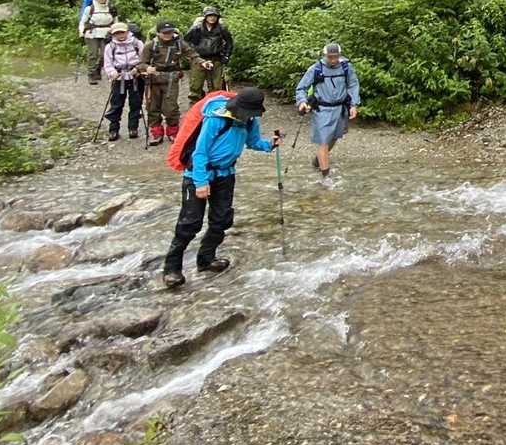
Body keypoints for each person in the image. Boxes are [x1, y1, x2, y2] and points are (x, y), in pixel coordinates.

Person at [162, 87, 281, 289]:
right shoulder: (216, 118)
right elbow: (200, 153)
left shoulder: (250, 120)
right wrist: (201, 183)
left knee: (222, 220)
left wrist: (270, 144)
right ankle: (171, 269)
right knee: (190, 223)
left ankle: (206, 259)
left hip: (226, 174)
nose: (247, 116)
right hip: (199, 174)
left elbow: (253, 142)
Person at [295, 43, 361, 179]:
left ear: (340, 55)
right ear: (324, 55)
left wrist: (353, 105)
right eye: (330, 57)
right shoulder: (315, 69)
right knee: (324, 141)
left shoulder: (346, 68)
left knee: (334, 137)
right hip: (321, 110)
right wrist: (302, 102)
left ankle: (318, 159)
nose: (333, 60)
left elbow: (353, 85)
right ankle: (326, 177)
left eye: (335, 57)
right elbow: (301, 88)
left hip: (340, 109)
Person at [138, 20, 191, 143]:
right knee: (152, 107)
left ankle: (173, 132)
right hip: (153, 79)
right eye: (165, 32)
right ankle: (156, 133)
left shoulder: (179, 44)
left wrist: (202, 62)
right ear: (158, 33)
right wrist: (147, 68)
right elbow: (141, 63)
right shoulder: (151, 45)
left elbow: (192, 55)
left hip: (171, 79)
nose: (168, 35)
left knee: (171, 108)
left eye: (170, 32)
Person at [102, 22, 145, 141]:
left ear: (127, 31)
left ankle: (133, 128)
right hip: (119, 77)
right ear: (113, 34)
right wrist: (112, 73)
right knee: (116, 104)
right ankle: (113, 129)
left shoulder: (137, 43)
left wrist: (138, 69)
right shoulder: (110, 46)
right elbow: (107, 63)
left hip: (135, 76)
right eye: (117, 33)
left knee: (136, 102)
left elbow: (144, 59)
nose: (120, 35)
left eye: (122, 32)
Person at [184, 6, 233, 103]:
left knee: (217, 86)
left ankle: (214, 105)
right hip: (199, 59)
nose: (212, 18)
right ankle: (195, 105)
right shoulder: (196, 28)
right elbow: (185, 42)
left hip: (216, 59)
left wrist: (226, 55)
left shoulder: (222, 29)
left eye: (214, 16)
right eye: (210, 15)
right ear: (205, 17)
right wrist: (192, 53)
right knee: (196, 85)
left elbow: (229, 43)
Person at [78, 0, 118, 84]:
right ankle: (91, 75)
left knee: (105, 55)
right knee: (93, 54)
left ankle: (97, 69)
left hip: (107, 33)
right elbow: (83, 21)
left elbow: (116, 21)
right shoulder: (90, 8)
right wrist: (81, 31)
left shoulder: (111, 8)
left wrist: (116, 31)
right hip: (92, 33)